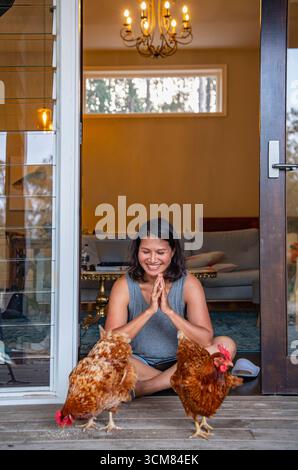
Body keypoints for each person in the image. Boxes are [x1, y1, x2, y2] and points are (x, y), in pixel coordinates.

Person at [104, 218, 236, 397]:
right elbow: (110, 343)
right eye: (145, 251)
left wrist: (169, 311)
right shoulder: (124, 285)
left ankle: (146, 388)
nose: (152, 259)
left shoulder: (189, 283)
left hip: (183, 361)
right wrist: (149, 311)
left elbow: (205, 340)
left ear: (172, 252)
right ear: (137, 252)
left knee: (225, 345)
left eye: (160, 252)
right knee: (108, 357)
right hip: (138, 363)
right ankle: (184, 384)